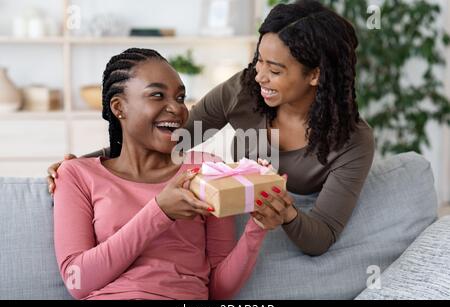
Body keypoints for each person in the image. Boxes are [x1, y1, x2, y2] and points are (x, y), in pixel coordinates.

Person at [49, 0, 374, 257]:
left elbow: (322, 236)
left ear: (315, 75)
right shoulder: (245, 90)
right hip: (227, 228)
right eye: (258, 60)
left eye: (274, 70)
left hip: (287, 231)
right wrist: (83, 163)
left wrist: (285, 212)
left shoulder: (353, 141)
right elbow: (175, 138)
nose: (260, 75)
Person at [53, 48, 275, 300]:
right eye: (157, 95)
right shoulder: (76, 175)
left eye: (180, 98)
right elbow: (77, 281)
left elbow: (218, 289)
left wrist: (258, 226)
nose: (176, 109)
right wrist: (160, 212)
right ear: (119, 107)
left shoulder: (205, 170)